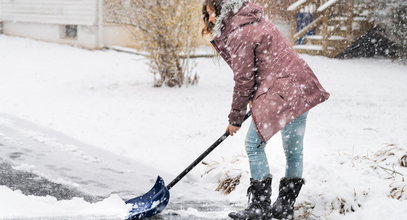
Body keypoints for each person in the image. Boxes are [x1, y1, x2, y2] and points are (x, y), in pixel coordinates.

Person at [202, 0, 330, 219]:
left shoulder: (240, 32)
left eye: (212, 13)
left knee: (253, 145)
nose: (211, 19)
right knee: (293, 151)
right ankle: (284, 208)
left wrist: (235, 118)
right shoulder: (255, 19)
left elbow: (244, 80)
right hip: (300, 86)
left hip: (281, 90)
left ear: (223, 10)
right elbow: (266, 65)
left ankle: (259, 207)